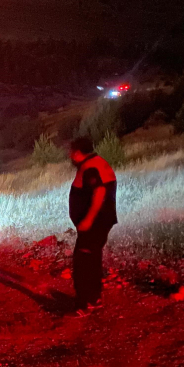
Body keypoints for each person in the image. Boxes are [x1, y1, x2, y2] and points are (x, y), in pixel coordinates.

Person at [68, 135, 117, 315]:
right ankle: (94, 299)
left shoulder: (90, 168)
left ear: (78, 152)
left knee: (83, 263)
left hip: (93, 224)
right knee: (93, 260)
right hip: (101, 222)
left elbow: (100, 191)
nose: (69, 156)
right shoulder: (98, 162)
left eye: (71, 152)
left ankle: (83, 305)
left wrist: (88, 219)